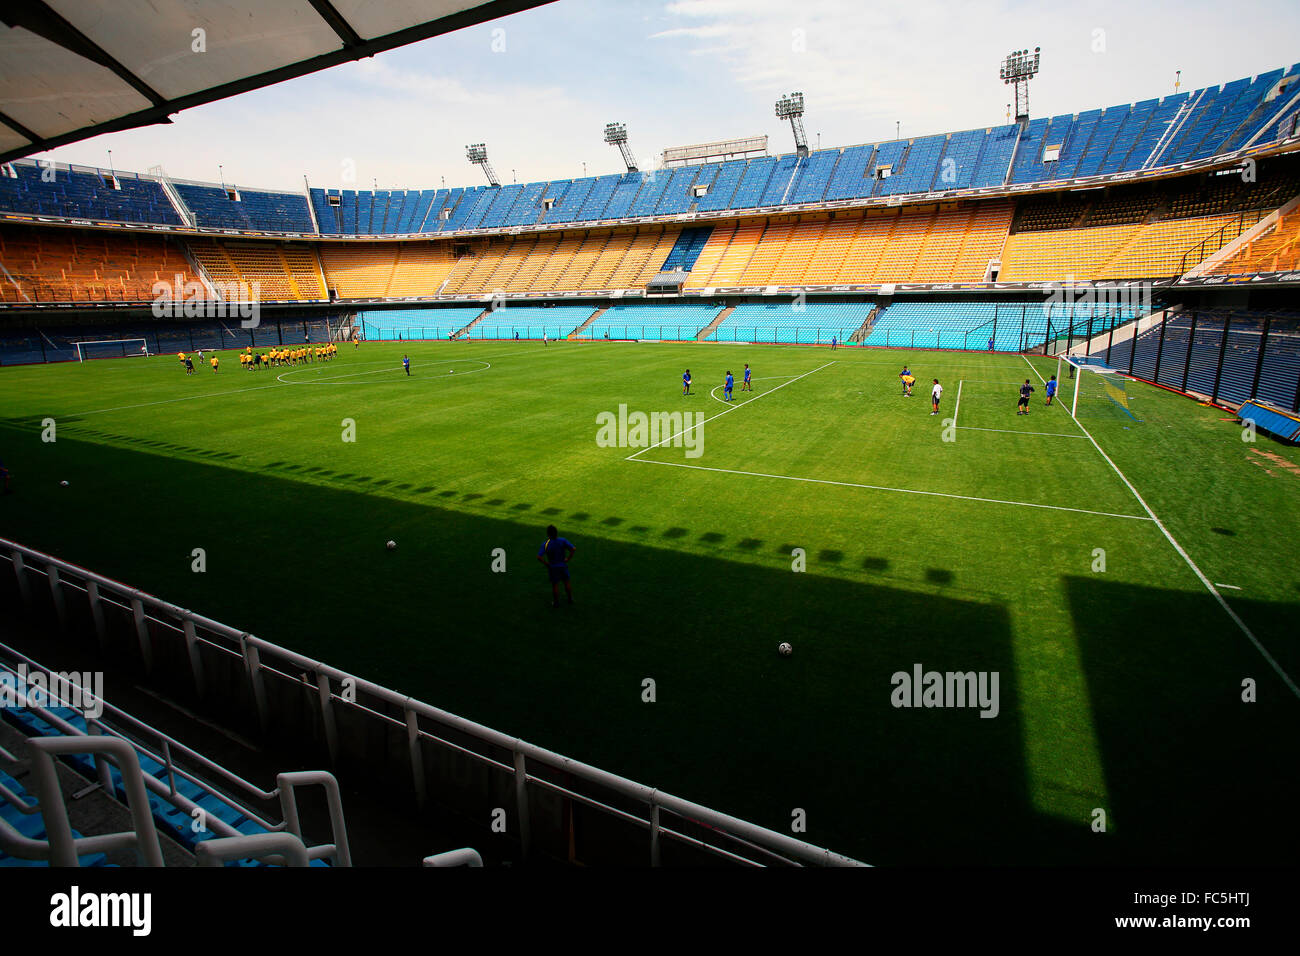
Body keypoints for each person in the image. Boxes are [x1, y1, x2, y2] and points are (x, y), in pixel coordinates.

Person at [537, 525, 576, 608]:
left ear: (548, 534)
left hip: (553, 567)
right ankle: (570, 599)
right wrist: (568, 559)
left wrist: (547, 564)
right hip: (563, 565)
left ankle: (556, 603)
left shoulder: (546, 544)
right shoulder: (562, 540)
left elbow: (539, 557)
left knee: (555, 585)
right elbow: (573, 549)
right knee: (566, 582)